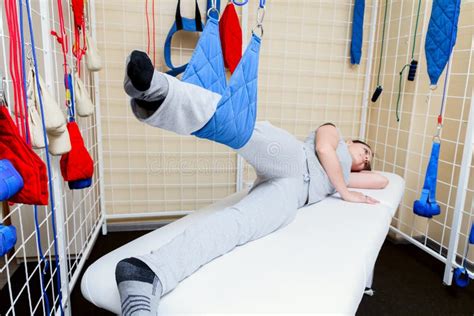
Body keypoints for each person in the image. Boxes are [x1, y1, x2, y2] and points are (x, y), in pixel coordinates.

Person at [114, 51, 389, 316]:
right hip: (293, 159)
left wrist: (350, 180)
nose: (365, 160)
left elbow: (382, 180)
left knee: (238, 224)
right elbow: (324, 150)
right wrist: (345, 192)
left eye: (367, 161)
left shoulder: (346, 173)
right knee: (237, 127)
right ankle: (155, 89)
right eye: (365, 151)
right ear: (352, 141)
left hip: (292, 195)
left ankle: (147, 271)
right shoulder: (334, 135)